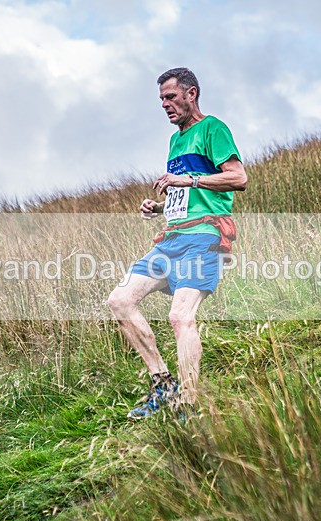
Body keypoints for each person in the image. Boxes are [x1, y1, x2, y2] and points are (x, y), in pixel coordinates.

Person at [108, 67, 247, 420]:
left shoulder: (213, 128)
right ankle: (163, 384)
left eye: (171, 97)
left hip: (204, 236)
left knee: (180, 316)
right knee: (120, 300)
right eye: (161, 100)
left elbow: (238, 177)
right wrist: (159, 207)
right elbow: (185, 194)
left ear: (191, 93)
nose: (165, 105)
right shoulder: (175, 141)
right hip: (171, 237)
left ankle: (189, 400)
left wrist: (188, 180)